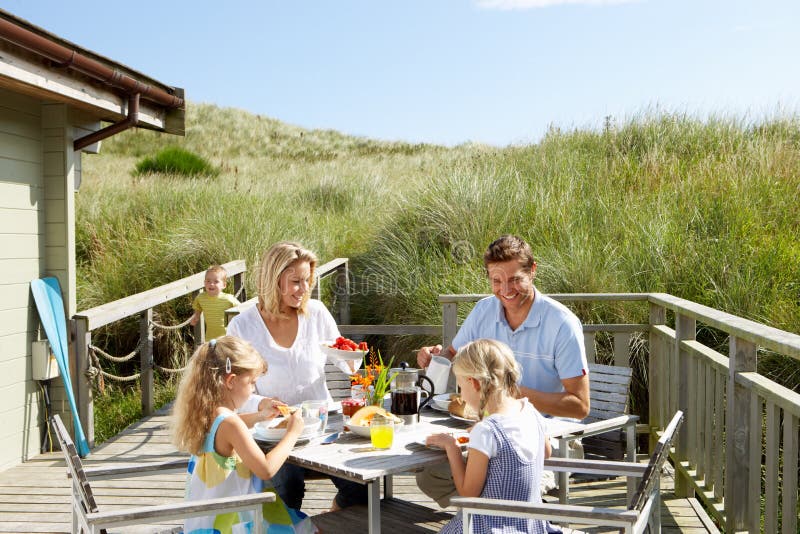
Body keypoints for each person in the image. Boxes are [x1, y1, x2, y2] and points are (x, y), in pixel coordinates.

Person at [416, 234, 590, 504]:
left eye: (515, 279)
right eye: (496, 281)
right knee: (430, 476)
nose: (505, 290)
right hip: (489, 430)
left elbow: (580, 406)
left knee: (494, 480)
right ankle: (492, 516)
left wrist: (511, 396)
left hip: (549, 440)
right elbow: (453, 356)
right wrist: (434, 355)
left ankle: (501, 513)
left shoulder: (562, 324)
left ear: (532, 271)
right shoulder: (484, 310)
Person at [227, 241, 366, 511]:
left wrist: (351, 361)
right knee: (287, 489)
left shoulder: (316, 313)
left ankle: (322, 526)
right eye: (295, 282)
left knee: (360, 489)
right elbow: (229, 391)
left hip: (321, 428)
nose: (304, 289)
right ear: (273, 280)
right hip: (272, 432)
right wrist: (261, 403)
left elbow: (342, 360)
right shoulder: (242, 326)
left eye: (307, 280)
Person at [171, 336, 315, 534]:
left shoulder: (206, 412)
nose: (254, 389)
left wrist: (260, 416)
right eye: (252, 383)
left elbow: (228, 428)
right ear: (231, 381)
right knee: (308, 529)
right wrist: (293, 432)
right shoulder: (230, 423)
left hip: (208, 522)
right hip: (238, 523)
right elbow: (265, 469)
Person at [427, 339, 550, 534]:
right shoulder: (530, 411)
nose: (462, 396)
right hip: (530, 527)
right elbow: (546, 452)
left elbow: (468, 495)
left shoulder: (486, 431)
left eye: (460, 387)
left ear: (474, 383)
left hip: (485, 528)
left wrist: (452, 448)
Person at [189, 264, 241, 340]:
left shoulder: (229, 299)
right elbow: (198, 307)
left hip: (227, 337)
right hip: (210, 337)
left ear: (224, 285)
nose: (211, 284)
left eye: (216, 281)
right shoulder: (201, 297)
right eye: (208, 281)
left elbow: (241, 309)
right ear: (204, 282)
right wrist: (196, 316)